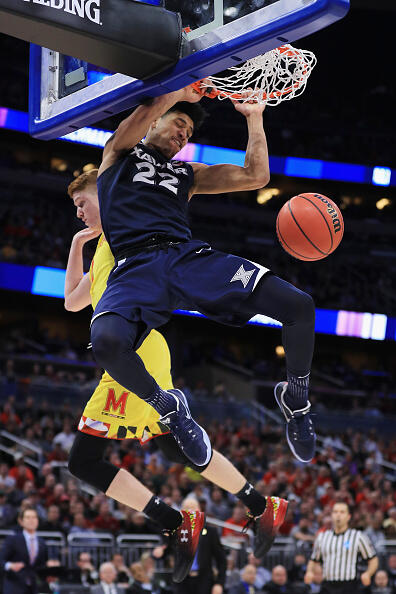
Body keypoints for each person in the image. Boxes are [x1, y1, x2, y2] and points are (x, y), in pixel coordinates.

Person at [66, 170, 288, 582]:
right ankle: (260, 504)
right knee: (174, 449)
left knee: (84, 460)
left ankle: (174, 522)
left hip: (133, 350)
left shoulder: (126, 226)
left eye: (82, 202)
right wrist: (80, 244)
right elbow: (72, 302)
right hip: (134, 351)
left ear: (104, 192)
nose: (78, 213)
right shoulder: (100, 246)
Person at [88, 80, 316, 466]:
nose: (183, 135)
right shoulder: (117, 154)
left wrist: (255, 117)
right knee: (106, 342)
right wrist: (178, 94)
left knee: (299, 306)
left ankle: (296, 398)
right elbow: (146, 109)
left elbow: (256, 176)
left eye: (189, 133)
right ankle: (170, 408)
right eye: (179, 125)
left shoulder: (187, 175)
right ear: (157, 119)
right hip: (133, 268)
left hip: (185, 258)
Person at [304, 502, 379, 594]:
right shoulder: (322, 537)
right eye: (335, 512)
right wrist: (309, 571)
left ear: (348, 516)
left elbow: (373, 559)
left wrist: (368, 573)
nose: (338, 515)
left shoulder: (358, 536)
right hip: (327, 585)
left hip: (349, 585)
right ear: (331, 515)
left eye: (342, 512)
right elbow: (313, 559)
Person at [172, 498, 226, 594]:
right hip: (182, 582)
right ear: (181, 512)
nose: (190, 510)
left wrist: (219, 583)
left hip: (204, 581)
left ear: (199, 510)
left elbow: (221, 560)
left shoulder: (211, 532)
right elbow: (166, 548)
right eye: (187, 508)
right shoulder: (175, 532)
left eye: (193, 507)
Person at [0, 506, 48, 594]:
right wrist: (9, 565)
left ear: (38, 521)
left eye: (34, 517)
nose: (31, 520)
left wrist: (50, 570)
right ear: (21, 521)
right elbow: (1, 560)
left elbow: (41, 566)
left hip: (33, 587)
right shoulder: (12, 540)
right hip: (14, 586)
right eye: (28, 517)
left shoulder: (42, 542)